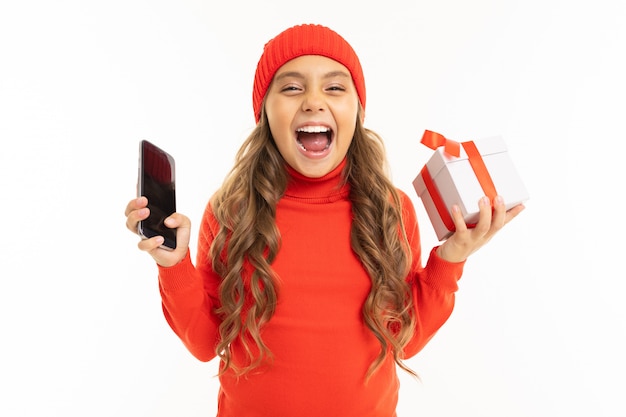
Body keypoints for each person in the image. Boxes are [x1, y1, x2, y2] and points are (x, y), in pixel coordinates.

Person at [124, 23, 524, 417]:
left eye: (334, 87)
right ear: (265, 112)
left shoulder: (389, 209)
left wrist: (449, 260)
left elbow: (403, 339)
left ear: (357, 111)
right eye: (292, 87)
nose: (314, 101)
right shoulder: (231, 211)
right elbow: (206, 341)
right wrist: (173, 265)